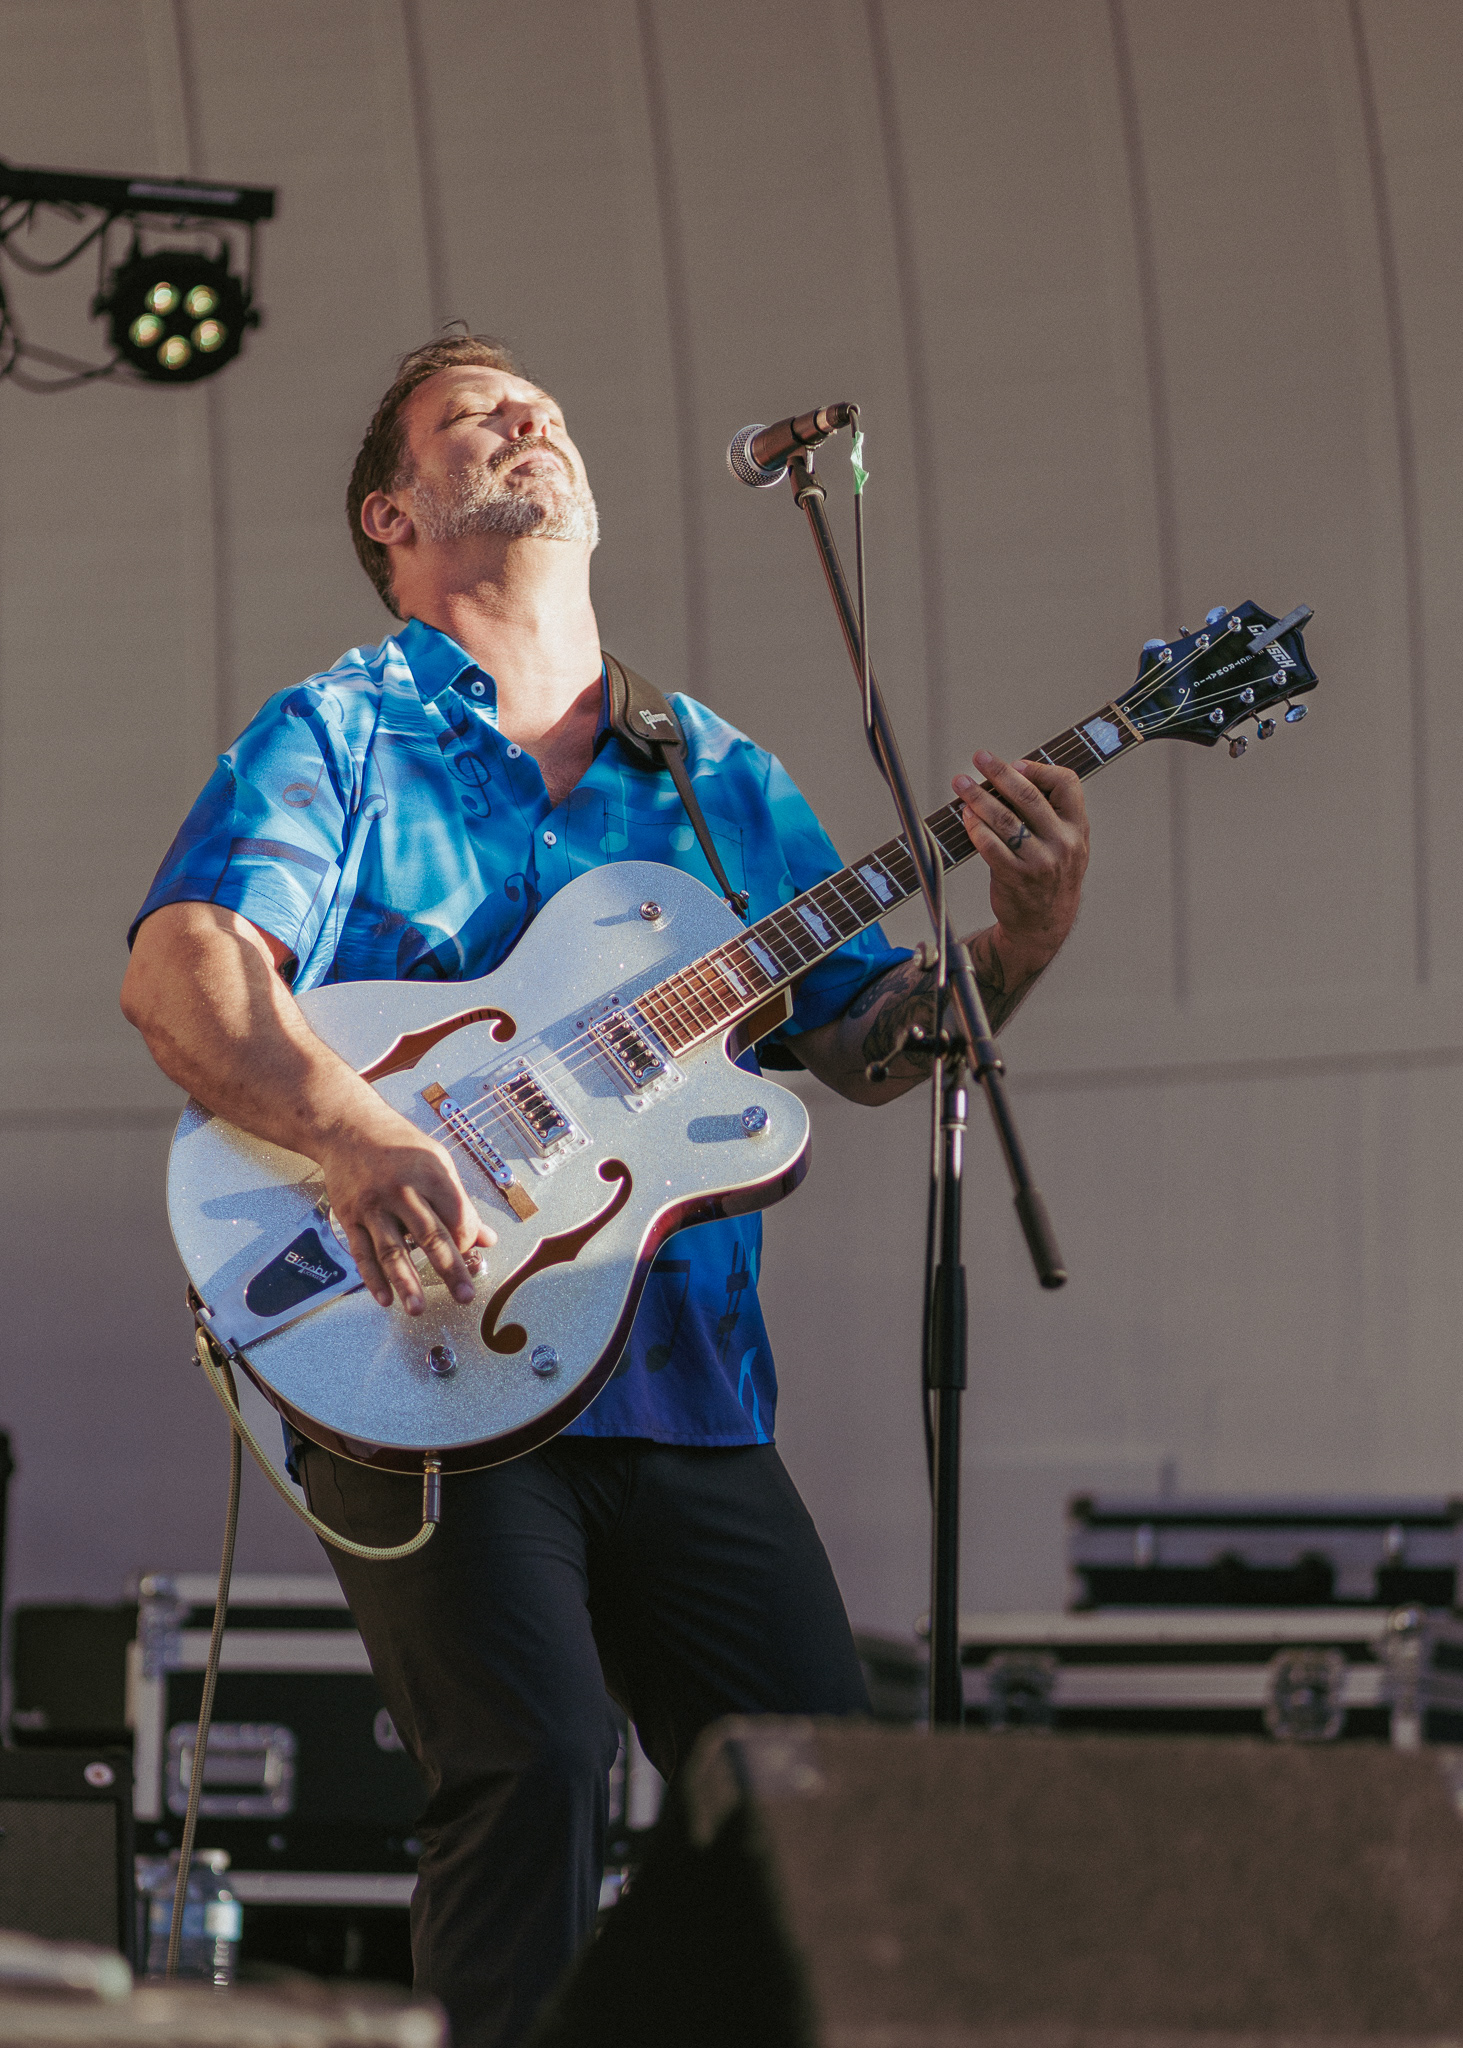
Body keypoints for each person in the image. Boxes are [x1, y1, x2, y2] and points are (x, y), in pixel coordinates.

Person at [121, 333, 1089, 2046]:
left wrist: (1018, 942)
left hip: (688, 1391)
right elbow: (187, 973)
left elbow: (871, 1040)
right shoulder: (340, 736)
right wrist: (357, 1135)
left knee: (828, 1803)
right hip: (429, 1372)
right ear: (394, 511)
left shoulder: (715, 776)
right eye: (472, 412)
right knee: (535, 1769)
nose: (532, 415)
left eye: (543, 405)